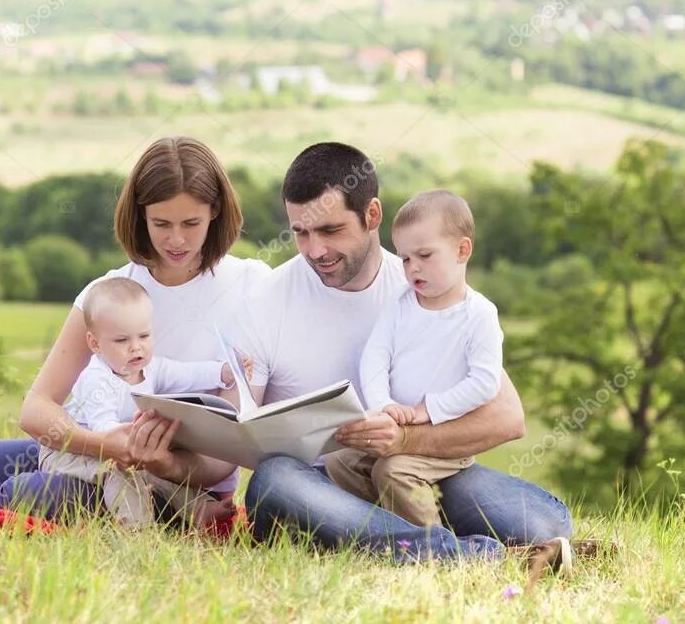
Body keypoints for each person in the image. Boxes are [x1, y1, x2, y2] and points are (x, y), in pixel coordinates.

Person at [222, 142, 574, 568]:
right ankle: (453, 554)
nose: (315, 250)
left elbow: (507, 417)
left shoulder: (425, 289)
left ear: (372, 216)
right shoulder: (266, 300)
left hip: (414, 466)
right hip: (320, 484)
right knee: (274, 482)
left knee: (543, 524)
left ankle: (400, 544)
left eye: (330, 230)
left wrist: (405, 439)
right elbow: (242, 434)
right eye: (301, 232)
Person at [0, 136, 269, 521]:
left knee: (20, 495)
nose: (176, 239)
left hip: (176, 484)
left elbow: (226, 458)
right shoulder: (110, 292)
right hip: (93, 453)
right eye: (160, 223)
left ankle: (172, 516)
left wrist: (164, 464)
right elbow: (37, 408)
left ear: (215, 213)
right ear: (140, 217)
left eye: (190, 223)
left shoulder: (252, 287)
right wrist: (101, 444)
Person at [325, 189, 503, 527]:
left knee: (394, 470)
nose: (413, 268)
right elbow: (375, 356)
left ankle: (434, 547)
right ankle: (386, 529)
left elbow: (484, 384)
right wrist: (383, 406)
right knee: (339, 461)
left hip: (444, 434)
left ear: (461, 250)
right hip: (395, 424)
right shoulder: (401, 303)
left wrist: (427, 410)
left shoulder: (479, 315)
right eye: (405, 258)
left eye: (424, 255)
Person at [37, 277, 241, 529]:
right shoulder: (96, 378)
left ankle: (199, 509)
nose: (136, 348)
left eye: (143, 336)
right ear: (94, 343)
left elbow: (185, 374)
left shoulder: (150, 368)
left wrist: (222, 372)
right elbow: (104, 429)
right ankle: (136, 528)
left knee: (153, 468)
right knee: (119, 470)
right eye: (122, 341)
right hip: (69, 452)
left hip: (120, 446)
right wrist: (133, 446)